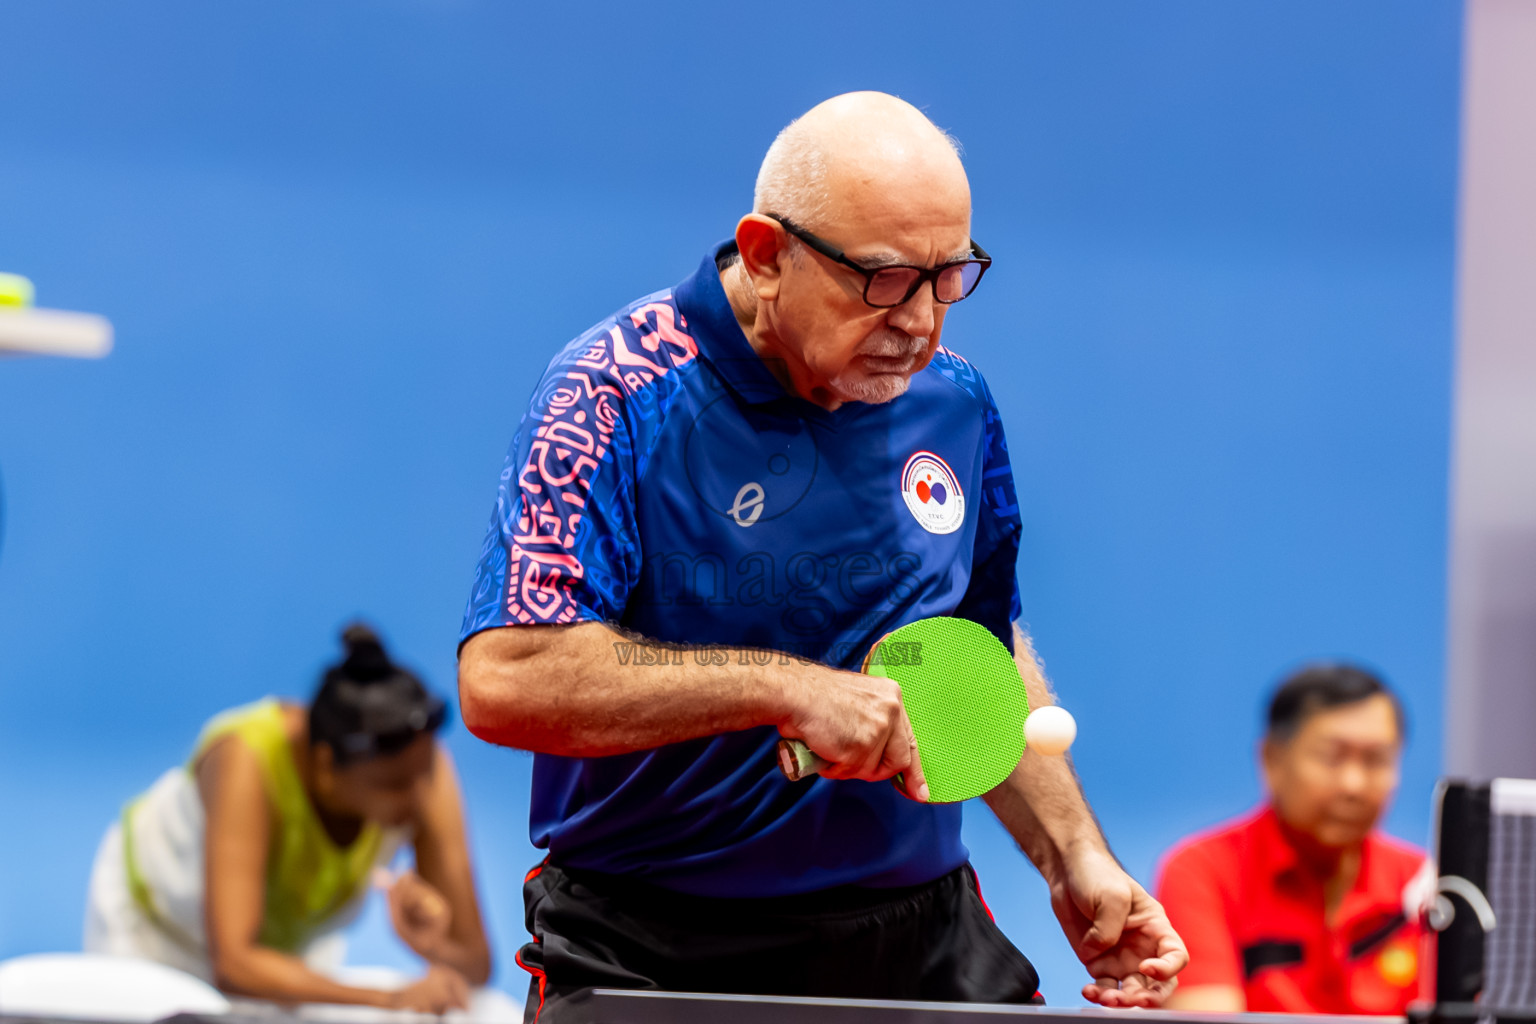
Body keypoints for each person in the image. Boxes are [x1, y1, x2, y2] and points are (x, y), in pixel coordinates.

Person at [457, 91, 1186, 1022]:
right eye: (883, 278)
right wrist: (786, 688)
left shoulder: (953, 404)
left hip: (916, 933)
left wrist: (1074, 854)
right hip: (654, 946)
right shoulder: (614, 395)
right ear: (766, 255)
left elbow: (972, 653)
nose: (922, 322)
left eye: (950, 275)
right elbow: (508, 678)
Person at [85, 624, 493, 1013]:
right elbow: (235, 964)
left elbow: (476, 965)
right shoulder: (247, 762)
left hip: (278, 955)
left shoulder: (419, 771)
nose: (419, 797)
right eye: (392, 785)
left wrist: (431, 946)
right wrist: (387, 999)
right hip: (154, 931)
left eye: (425, 775)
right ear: (326, 766)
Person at [1155, 663, 1425, 1014]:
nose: (1353, 785)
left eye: (1376, 760)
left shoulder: (1424, 884)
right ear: (1272, 760)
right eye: (1332, 757)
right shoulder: (1202, 872)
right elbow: (1207, 1021)